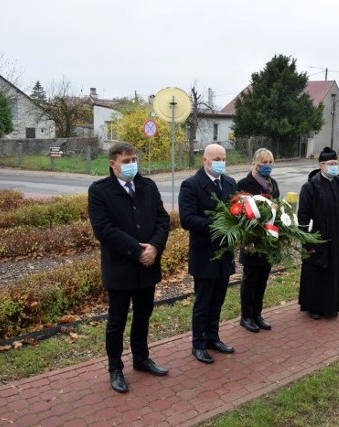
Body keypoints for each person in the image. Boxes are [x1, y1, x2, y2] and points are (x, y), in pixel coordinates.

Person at [88, 141, 170, 394]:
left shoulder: (148, 186)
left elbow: (162, 219)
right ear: (113, 164)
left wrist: (154, 247)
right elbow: (103, 229)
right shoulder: (99, 191)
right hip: (120, 268)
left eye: (134, 160)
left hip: (148, 266)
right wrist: (138, 251)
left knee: (143, 316)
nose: (131, 165)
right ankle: (115, 368)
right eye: (126, 161)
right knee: (117, 320)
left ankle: (141, 359)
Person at [179, 143, 237, 364]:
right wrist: (219, 225)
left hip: (224, 254)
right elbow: (187, 219)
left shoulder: (230, 183)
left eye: (223, 158)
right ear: (204, 160)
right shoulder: (191, 185)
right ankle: (198, 344)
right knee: (203, 303)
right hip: (204, 254)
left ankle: (213, 337)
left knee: (218, 300)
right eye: (215, 158)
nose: (220, 162)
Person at [297, 146, 339, 319]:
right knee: (317, 271)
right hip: (317, 238)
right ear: (321, 165)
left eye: (336, 163)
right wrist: (307, 241)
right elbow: (303, 216)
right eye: (330, 163)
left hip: (336, 237)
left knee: (334, 271)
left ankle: (332, 306)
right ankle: (314, 307)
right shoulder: (311, 186)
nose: (334, 166)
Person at [236, 148, 280, 333]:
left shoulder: (273, 184)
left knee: (263, 278)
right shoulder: (244, 184)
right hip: (252, 241)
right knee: (250, 279)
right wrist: (248, 239)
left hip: (268, 240)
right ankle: (246, 316)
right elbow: (238, 213)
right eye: (264, 162)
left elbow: (278, 209)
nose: (268, 166)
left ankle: (257, 314)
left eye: (270, 163)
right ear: (255, 163)